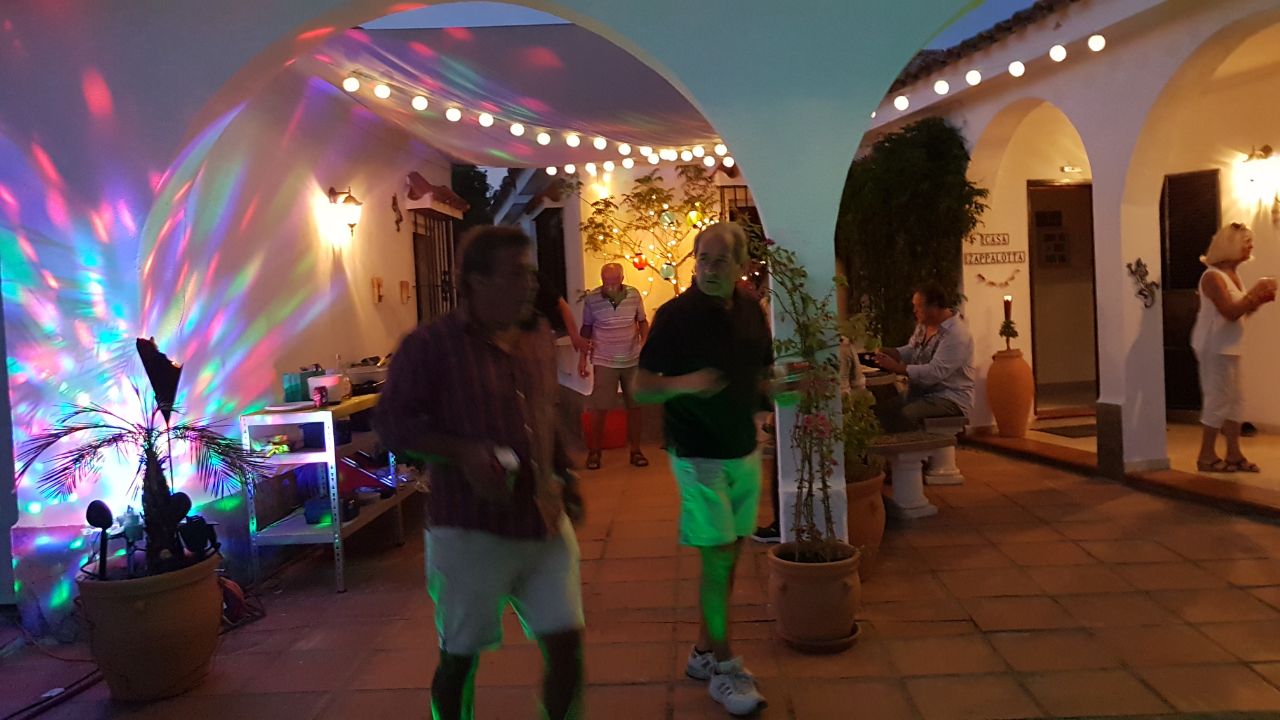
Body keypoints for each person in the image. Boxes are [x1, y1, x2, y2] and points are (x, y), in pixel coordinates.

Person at [375, 226, 586, 720]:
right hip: (469, 529)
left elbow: (543, 412)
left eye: (531, 273)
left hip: (542, 520)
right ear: (476, 281)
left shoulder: (536, 336)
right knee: (460, 658)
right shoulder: (430, 346)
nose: (531, 284)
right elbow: (391, 423)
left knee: (566, 646)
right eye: (517, 273)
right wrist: (463, 452)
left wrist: (564, 475)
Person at [635, 222, 770, 716]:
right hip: (696, 454)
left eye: (720, 261)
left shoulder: (751, 311)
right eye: (703, 259)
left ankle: (701, 653)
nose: (709, 270)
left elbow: (760, 377)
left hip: (742, 449)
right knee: (716, 561)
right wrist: (687, 383)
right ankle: (725, 669)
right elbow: (641, 387)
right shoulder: (675, 317)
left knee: (729, 560)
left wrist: (778, 390)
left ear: (741, 266)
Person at [1191, 222, 1276, 473]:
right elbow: (1229, 312)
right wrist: (1253, 295)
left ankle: (1233, 453)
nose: (1250, 247)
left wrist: (1257, 300)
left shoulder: (1233, 276)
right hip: (1214, 345)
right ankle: (1206, 455)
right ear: (1230, 246)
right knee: (1217, 399)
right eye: (1246, 242)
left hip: (1230, 345)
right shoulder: (1212, 277)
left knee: (1236, 401)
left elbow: (1241, 312)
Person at [873, 282, 975, 433]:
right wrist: (893, 352)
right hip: (921, 393)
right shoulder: (924, 325)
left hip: (950, 397)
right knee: (880, 411)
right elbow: (912, 350)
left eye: (919, 306)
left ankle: (912, 447)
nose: (914, 310)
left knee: (905, 415)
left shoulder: (956, 335)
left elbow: (935, 372)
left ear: (934, 306)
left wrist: (898, 368)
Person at [579, 262, 649, 470]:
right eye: (605, 281)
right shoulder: (592, 299)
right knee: (599, 407)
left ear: (622, 279)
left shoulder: (634, 295)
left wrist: (645, 344)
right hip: (604, 359)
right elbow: (586, 329)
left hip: (632, 358)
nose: (609, 286)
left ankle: (636, 451)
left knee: (635, 405)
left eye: (613, 281)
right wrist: (582, 358)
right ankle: (594, 452)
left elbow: (642, 321)